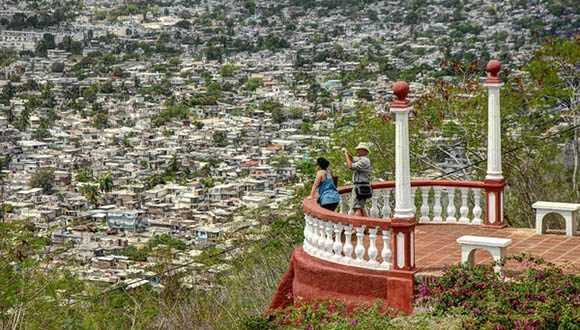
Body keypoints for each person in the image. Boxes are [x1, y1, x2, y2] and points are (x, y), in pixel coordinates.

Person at [344, 143, 372, 216]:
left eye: (360, 150)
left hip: (360, 187)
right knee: (361, 207)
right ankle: (367, 225)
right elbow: (352, 158)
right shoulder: (362, 159)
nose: (358, 151)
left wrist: (346, 155)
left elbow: (350, 166)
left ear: (365, 151)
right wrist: (347, 152)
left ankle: (357, 226)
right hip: (362, 186)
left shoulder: (364, 161)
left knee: (357, 208)